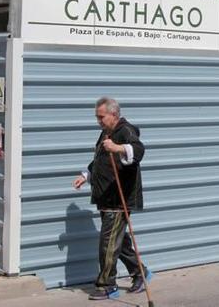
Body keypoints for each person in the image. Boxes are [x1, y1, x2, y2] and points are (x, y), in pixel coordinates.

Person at [72, 97, 151, 301]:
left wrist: (118, 148)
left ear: (114, 114)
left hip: (119, 198)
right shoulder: (106, 133)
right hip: (106, 196)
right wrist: (85, 176)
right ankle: (140, 273)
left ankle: (107, 285)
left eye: (101, 117)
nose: (98, 121)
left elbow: (139, 150)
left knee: (108, 242)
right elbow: (100, 160)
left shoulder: (126, 130)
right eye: (97, 117)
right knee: (118, 241)